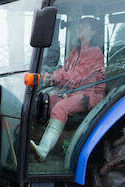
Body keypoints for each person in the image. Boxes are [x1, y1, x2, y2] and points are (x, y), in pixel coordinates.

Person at [30, 16, 105, 161]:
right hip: (73, 92)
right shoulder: (75, 52)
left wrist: (53, 77)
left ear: (93, 32)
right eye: (80, 25)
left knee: (61, 108)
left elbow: (75, 76)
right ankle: (34, 139)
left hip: (89, 95)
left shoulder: (94, 52)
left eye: (85, 26)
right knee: (44, 101)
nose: (80, 27)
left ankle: (43, 150)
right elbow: (64, 70)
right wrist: (49, 76)